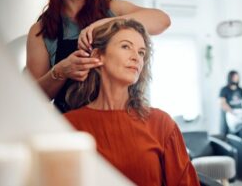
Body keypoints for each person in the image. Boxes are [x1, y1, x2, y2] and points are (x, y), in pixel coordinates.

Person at [26, 0, 171, 113]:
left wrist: (108, 23)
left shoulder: (112, 9)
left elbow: (162, 21)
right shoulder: (41, 30)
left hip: (118, 118)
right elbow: (33, 96)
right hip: (71, 125)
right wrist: (60, 71)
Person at [63, 19, 200, 186]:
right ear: (98, 56)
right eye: (126, 46)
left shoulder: (161, 123)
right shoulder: (69, 125)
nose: (136, 57)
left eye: (141, 52)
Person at [219, 70, 242, 135]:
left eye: (237, 77)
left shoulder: (240, 90)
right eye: (234, 77)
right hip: (229, 114)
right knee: (227, 133)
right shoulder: (224, 90)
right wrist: (232, 112)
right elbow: (222, 103)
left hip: (239, 114)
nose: (236, 79)